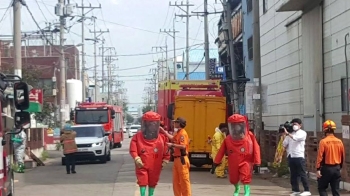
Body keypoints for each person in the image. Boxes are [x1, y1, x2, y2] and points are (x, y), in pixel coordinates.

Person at [213, 114, 260, 196]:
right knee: (233, 178)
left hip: (246, 160)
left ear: (243, 125)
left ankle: (247, 191)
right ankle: (237, 188)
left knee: (245, 175)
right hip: (233, 161)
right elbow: (221, 151)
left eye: (238, 125)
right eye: (233, 125)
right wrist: (216, 163)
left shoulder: (249, 136)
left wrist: (257, 162)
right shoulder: (228, 139)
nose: (236, 128)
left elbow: (256, 148)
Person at [129, 111, 170, 196]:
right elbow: (133, 149)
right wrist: (136, 158)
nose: (152, 126)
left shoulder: (162, 138)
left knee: (153, 181)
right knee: (142, 180)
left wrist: (165, 160)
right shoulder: (137, 137)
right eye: (150, 123)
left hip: (156, 164)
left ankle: (151, 194)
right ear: (145, 124)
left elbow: (166, 150)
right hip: (142, 164)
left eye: (154, 123)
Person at [160, 117, 191, 196]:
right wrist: (163, 131)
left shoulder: (182, 133)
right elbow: (172, 138)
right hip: (177, 159)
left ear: (179, 123)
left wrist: (172, 145)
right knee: (176, 182)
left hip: (182, 159)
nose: (174, 124)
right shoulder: (178, 133)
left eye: (175, 122)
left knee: (184, 181)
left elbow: (183, 146)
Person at [283, 118, 311, 196]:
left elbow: (296, 139)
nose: (294, 126)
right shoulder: (290, 133)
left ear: (300, 125)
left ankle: (307, 190)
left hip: (299, 156)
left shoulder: (302, 133)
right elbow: (284, 144)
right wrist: (285, 135)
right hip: (291, 156)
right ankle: (295, 190)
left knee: (302, 173)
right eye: (293, 124)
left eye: (295, 124)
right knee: (293, 174)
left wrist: (288, 134)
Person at [316, 120, 345, 196]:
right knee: (335, 190)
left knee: (322, 188)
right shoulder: (339, 141)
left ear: (324, 130)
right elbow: (342, 156)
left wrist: (318, 169)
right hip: (337, 168)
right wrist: (340, 167)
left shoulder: (323, 141)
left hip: (326, 168)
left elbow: (320, 156)